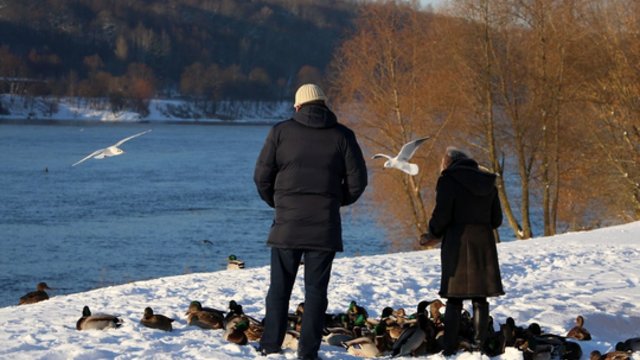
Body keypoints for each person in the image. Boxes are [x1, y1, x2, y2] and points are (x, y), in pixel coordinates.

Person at [254, 83, 368, 360]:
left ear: (297, 106)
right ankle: (308, 351)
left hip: (287, 225)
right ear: (324, 104)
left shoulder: (280, 132)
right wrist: (333, 201)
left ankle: (271, 345)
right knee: (316, 292)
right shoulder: (343, 136)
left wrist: (279, 203)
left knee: (279, 289)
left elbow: (261, 177)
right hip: (324, 226)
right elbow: (358, 182)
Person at [422, 146, 504, 355]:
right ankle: (479, 345)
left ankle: (449, 346)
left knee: (454, 297)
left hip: (456, 243)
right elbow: (496, 220)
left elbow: (442, 215)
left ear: (448, 162)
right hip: (483, 244)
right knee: (480, 297)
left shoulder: (448, 180)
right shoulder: (488, 182)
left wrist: (432, 233)